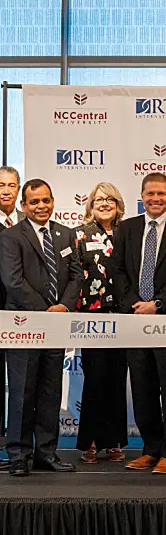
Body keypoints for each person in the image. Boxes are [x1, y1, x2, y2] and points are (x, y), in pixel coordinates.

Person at [113, 173, 166, 475]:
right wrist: (133, 305)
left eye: (161, 194)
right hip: (135, 319)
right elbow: (118, 270)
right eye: (150, 194)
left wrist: (158, 304)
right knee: (142, 386)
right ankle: (151, 449)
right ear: (141, 195)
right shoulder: (126, 228)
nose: (155, 199)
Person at [0, 178, 84, 477]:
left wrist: (63, 306)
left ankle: (45, 453)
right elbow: (13, 281)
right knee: (22, 391)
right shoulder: (11, 236)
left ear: (52, 201)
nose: (41, 206)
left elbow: (76, 275)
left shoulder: (65, 234)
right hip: (25, 324)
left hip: (57, 324)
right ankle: (19, 455)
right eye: (34, 201)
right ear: (24, 205)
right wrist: (45, 311)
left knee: (50, 390)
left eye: (46, 200)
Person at [75, 183, 128, 464]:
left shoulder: (129, 233)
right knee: (95, 379)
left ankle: (114, 441)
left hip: (124, 314)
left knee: (118, 379)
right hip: (92, 315)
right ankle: (90, 441)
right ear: (90, 204)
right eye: (98, 199)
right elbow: (73, 273)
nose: (104, 203)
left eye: (109, 199)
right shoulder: (80, 234)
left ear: (118, 203)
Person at [0, 166, 25, 467]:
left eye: (11, 185)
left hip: (22, 316)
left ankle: (18, 448)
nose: (6, 190)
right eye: (1, 185)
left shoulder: (26, 224)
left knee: (21, 384)